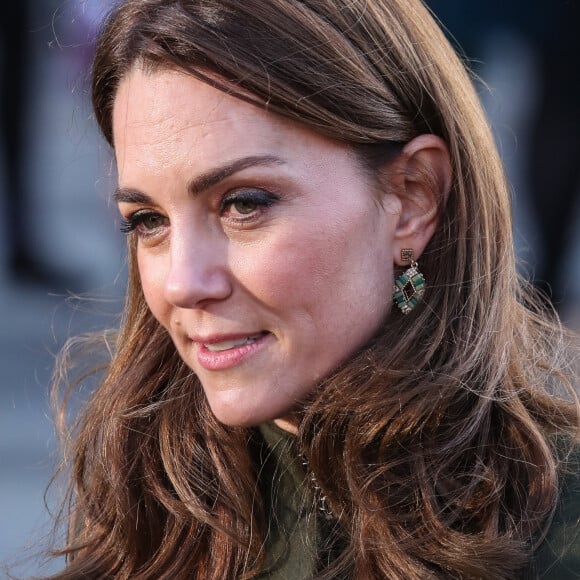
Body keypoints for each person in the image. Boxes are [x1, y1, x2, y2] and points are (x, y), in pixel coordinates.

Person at [45, 0, 579, 578]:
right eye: (148, 220)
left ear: (413, 197)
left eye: (243, 204)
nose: (182, 283)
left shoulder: (555, 531)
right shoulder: (150, 502)